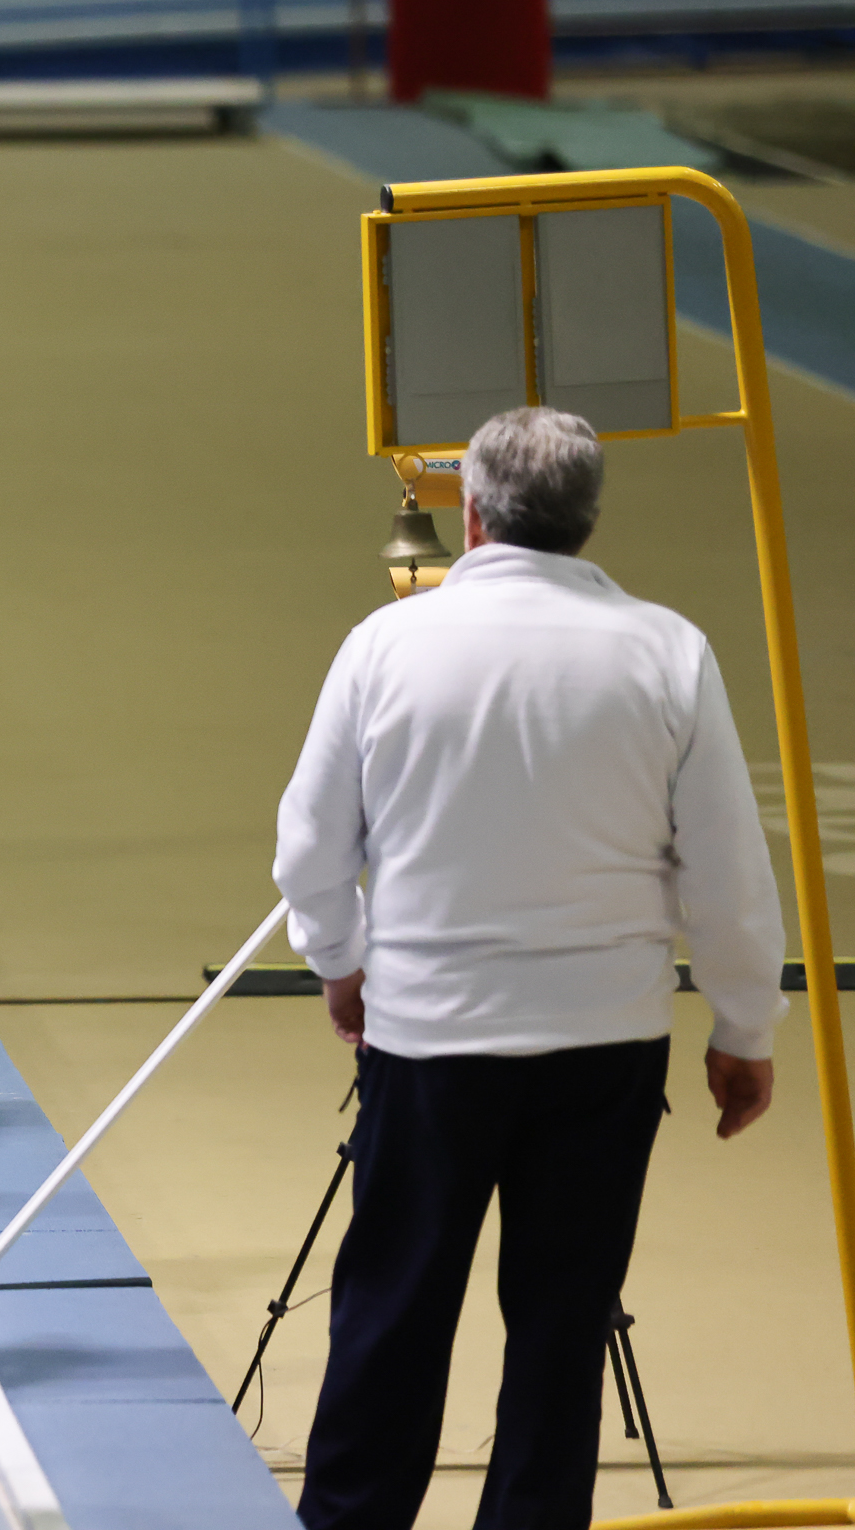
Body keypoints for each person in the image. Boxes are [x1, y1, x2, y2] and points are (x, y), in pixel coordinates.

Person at [272, 405, 786, 1530]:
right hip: (604, 1049)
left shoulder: (386, 645)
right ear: (590, 517)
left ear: (470, 514)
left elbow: (309, 845)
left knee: (391, 1311)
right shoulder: (668, 650)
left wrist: (341, 962)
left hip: (428, 1043)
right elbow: (729, 871)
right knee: (562, 1327)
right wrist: (744, 1030)